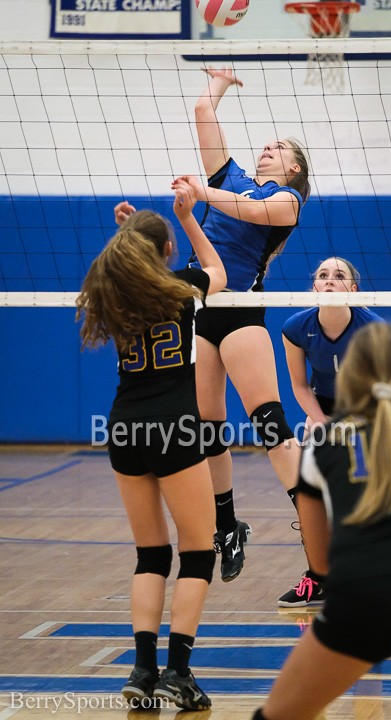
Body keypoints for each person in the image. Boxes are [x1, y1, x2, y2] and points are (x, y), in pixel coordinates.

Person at [115, 66, 311, 585]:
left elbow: (254, 210)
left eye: (279, 149)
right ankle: (228, 525)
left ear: (294, 170)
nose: (268, 149)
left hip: (241, 310)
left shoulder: (286, 201)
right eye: (265, 145)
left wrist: (202, 194)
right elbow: (203, 113)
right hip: (202, 312)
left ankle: (315, 535)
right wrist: (220, 82)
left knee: (268, 423)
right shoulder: (229, 178)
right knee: (206, 430)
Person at [253, 322, 391, 720]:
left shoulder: (322, 445)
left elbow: (320, 564)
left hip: (359, 596)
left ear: (349, 375)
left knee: (278, 715)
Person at [76, 181, 226, 711]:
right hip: (174, 427)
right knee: (198, 550)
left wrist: (129, 232)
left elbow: (126, 264)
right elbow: (220, 272)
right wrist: (188, 218)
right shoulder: (183, 286)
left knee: (150, 554)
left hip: (123, 427)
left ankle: (142, 672)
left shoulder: (110, 296)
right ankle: (178, 673)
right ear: (166, 252)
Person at [278, 256, 383, 607]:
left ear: (353, 289)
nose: (329, 281)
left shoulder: (373, 329)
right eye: (322, 275)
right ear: (314, 287)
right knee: (310, 495)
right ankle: (317, 576)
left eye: (339, 276)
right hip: (321, 407)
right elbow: (298, 386)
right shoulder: (296, 327)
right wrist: (320, 422)